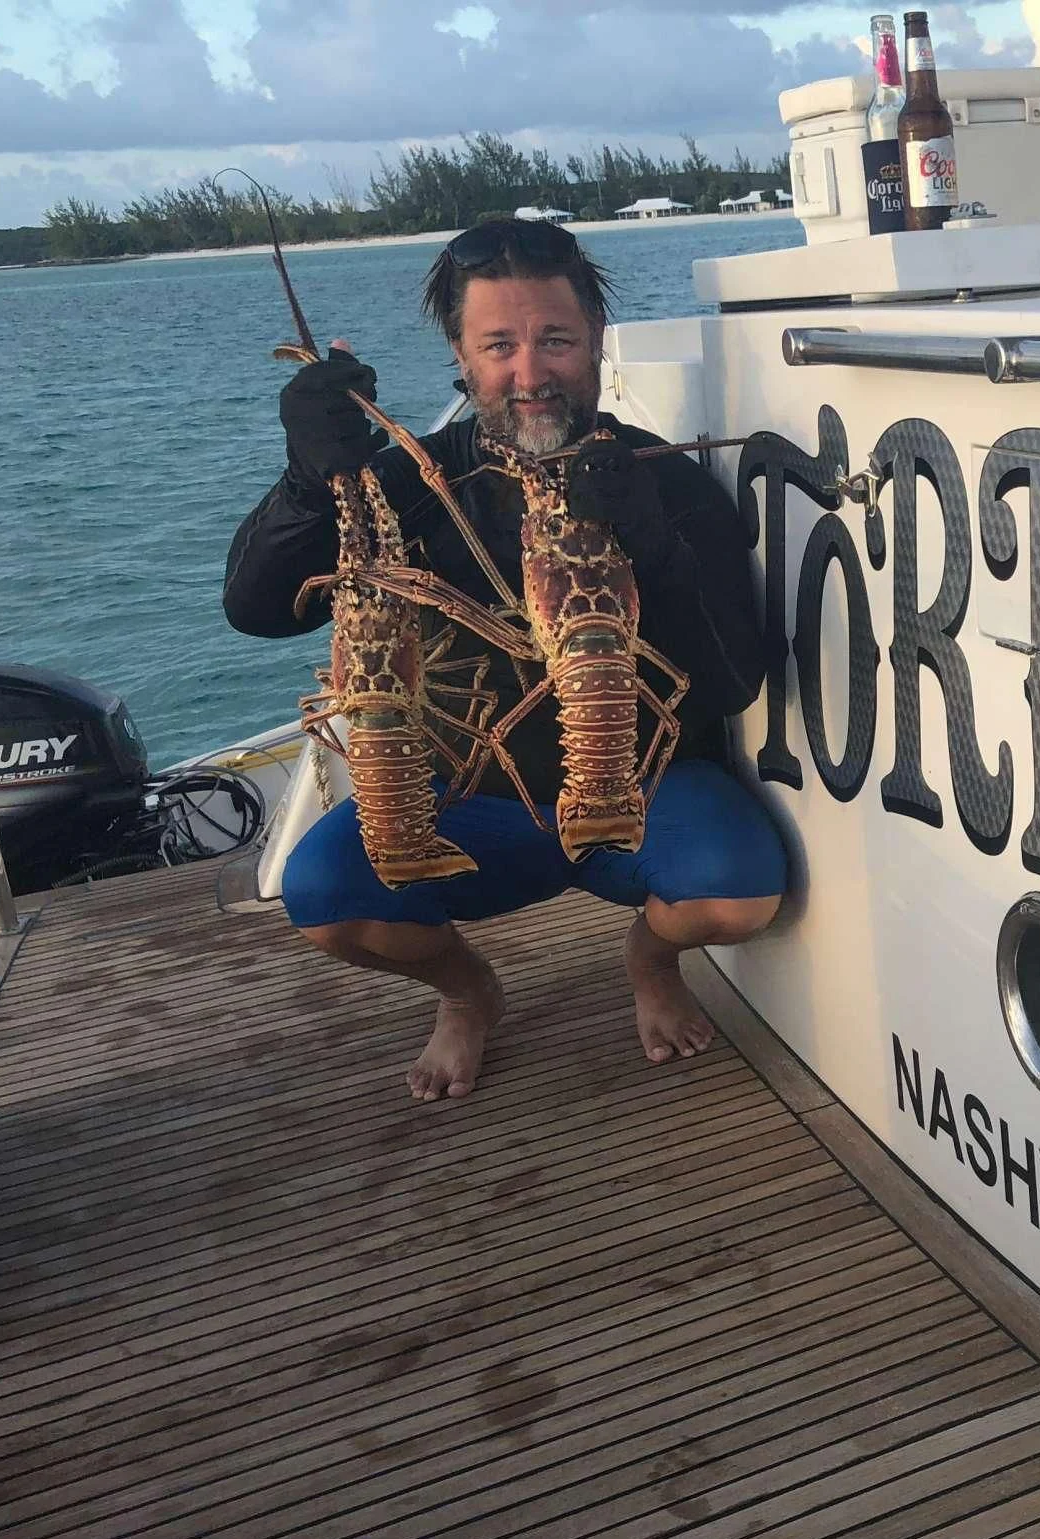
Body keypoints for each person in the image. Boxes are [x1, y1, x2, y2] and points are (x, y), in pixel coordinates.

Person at [224, 220, 782, 1101]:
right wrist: (304, 480)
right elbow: (255, 609)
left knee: (738, 892)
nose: (530, 373)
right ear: (461, 353)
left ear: (596, 341)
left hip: (637, 790)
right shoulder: (416, 483)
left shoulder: (661, 479)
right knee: (326, 893)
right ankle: (466, 990)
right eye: (500, 346)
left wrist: (654, 539)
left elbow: (729, 683)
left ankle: (652, 957)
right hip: (468, 808)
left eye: (555, 340)